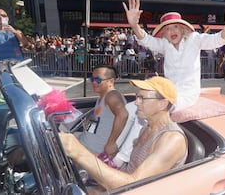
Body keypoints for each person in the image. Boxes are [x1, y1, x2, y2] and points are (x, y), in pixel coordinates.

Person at [59, 76, 188, 191]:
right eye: (137, 97)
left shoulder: (172, 139)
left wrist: (79, 152)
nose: (136, 102)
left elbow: (134, 185)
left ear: (162, 104)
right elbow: (129, 169)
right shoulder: (146, 128)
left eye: (142, 98)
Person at [122, 0, 225, 111]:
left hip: (187, 96)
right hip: (167, 92)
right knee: (132, 108)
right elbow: (146, 39)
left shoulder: (194, 39)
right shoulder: (165, 44)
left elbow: (216, 40)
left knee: (154, 109)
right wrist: (134, 26)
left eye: (175, 27)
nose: (171, 31)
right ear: (164, 34)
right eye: (167, 29)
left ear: (182, 28)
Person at [76, 64, 129, 168]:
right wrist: (88, 121)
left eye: (98, 80)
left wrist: (112, 143)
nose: (94, 82)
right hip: (85, 144)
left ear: (111, 81)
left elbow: (123, 115)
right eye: (92, 79)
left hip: (93, 151)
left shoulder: (112, 96)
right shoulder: (102, 97)